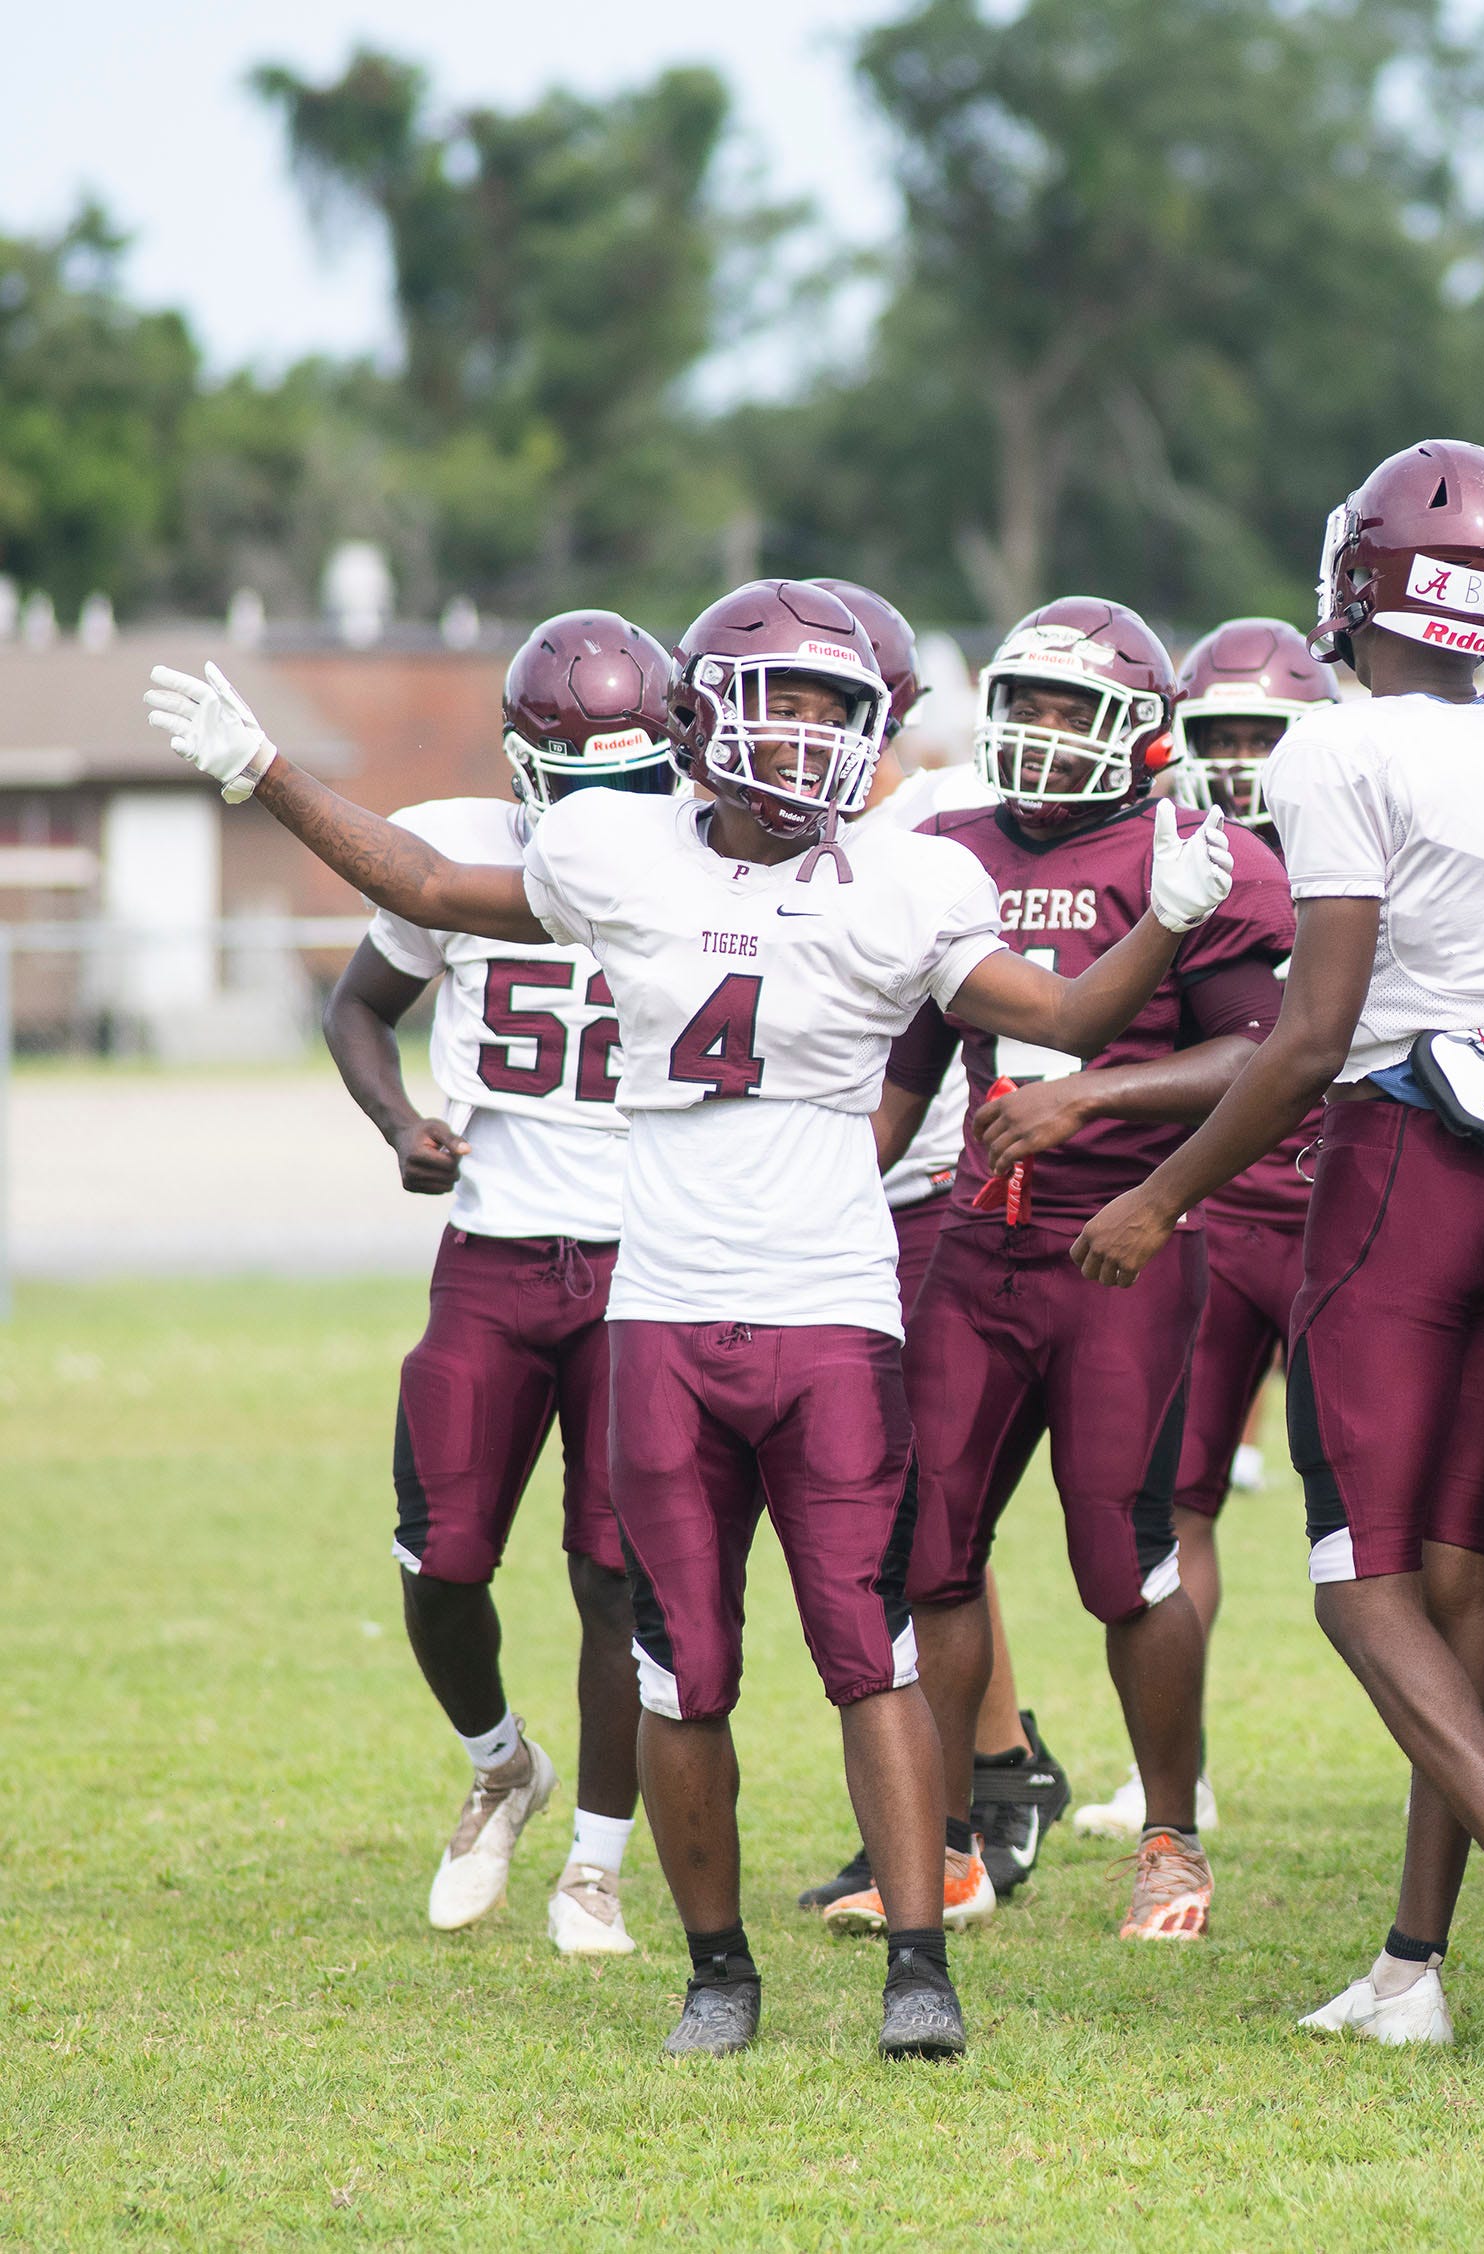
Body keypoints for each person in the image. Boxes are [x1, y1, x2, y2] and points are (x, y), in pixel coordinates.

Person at [146, 576, 1236, 2062]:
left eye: (837, 710)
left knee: (877, 1656)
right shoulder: (617, 845)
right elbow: (419, 883)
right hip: (664, 1314)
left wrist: (1168, 922)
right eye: (782, 702)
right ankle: (717, 1968)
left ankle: (921, 1963)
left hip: (835, 1315)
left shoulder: (906, 875)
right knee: (684, 1669)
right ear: (704, 714)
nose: (808, 738)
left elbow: (1061, 1019)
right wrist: (263, 771)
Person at [1067, 439, 1484, 2065]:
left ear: (1365, 578)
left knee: (1358, 1577)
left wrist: (1163, 1191)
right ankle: (1411, 1959)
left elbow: (1312, 1029)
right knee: (1452, 1564)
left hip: (1399, 1162)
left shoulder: (1337, 746)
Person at [838, 597, 1294, 1948]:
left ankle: (1169, 1832)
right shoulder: (943, 844)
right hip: (981, 1235)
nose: (1039, 732)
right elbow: (913, 1064)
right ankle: (959, 1836)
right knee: (931, 1551)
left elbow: (1261, 1055)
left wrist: (1117, 1141)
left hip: (1123, 1240)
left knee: (1124, 1554)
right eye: (1023, 704)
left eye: (1069, 707)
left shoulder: (1195, 857)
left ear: (1140, 734)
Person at [318, 609, 681, 1956]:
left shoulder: (706, 857)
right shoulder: (463, 847)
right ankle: (498, 1761)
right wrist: (401, 1123)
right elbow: (357, 1004)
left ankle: (595, 1859)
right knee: (439, 1559)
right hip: (494, 1252)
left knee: (614, 1576)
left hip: (650, 1265)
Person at [801, 578, 1075, 1913]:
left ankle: (991, 1771)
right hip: (837, 1197)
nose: (794, 728)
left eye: (820, 701)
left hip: (925, 1202)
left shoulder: (935, 826)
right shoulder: (755, 825)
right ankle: (978, 1773)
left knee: (918, 1516)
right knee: (912, 1518)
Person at [1060, 615, 1340, 1846]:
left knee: (1386, 1528)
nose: (1236, 761)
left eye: (1259, 735)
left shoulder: (1360, 829)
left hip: (1348, 1213)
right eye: (1216, 734)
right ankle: (1176, 1777)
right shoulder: (1170, 855)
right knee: (1175, 1508)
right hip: (1214, 1208)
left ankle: (1444, 1780)